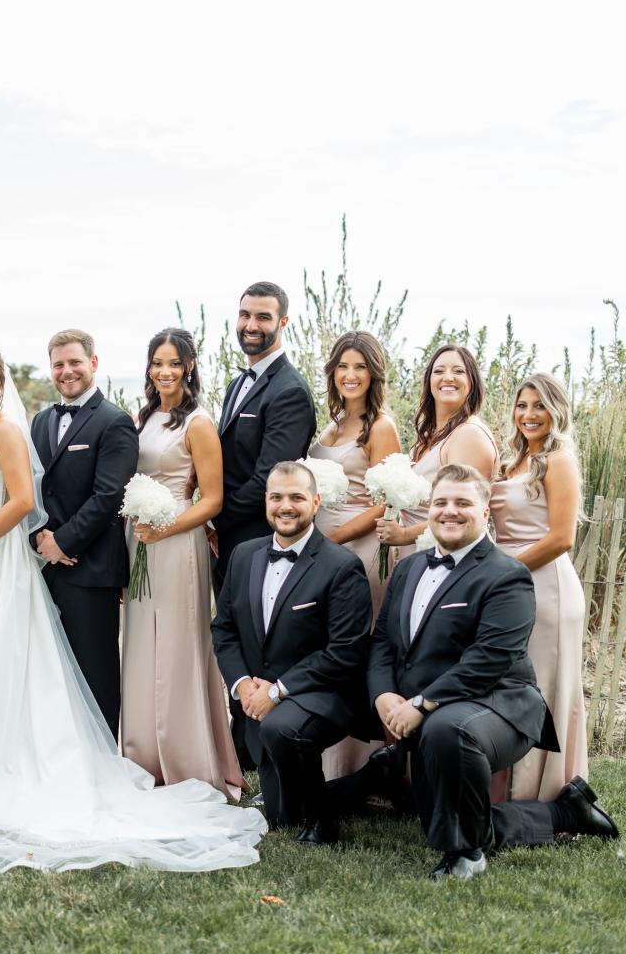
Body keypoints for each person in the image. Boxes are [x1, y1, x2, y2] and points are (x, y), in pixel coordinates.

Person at [0, 344, 267, 874]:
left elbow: (82, 495)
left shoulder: (74, 425)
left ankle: (49, 757)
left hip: (16, 556)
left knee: (37, 660)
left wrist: (5, 541)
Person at [366, 463, 616, 880]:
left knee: (448, 731)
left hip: (500, 705)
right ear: (429, 509)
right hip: (434, 711)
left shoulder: (507, 575)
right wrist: (383, 695)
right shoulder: (409, 569)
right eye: (441, 502)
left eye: (463, 503)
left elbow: (490, 659)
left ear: (485, 513)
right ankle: (563, 813)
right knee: (437, 819)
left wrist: (421, 703)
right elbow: (382, 643)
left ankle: (467, 854)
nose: (450, 511)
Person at [211, 462, 375, 843]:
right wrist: (242, 685)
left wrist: (277, 690)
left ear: (316, 502)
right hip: (261, 700)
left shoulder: (342, 566)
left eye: (297, 497)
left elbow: (344, 653)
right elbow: (224, 628)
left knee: (281, 729)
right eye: (277, 497)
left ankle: (323, 821)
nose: (286, 506)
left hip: (324, 694)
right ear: (266, 502)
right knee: (283, 814)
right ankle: (369, 779)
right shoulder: (243, 555)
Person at [120, 328, 243, 797]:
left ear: (189, 366)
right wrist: (139, 529)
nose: (164, 372)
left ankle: (188, 756)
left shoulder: (199, 424)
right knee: (138, 644)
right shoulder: (144, 416)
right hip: (140, 540)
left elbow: (212, 500)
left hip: (177, 541)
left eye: (173, 363)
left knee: (176, 647)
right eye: (157, 363)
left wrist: (165, 528)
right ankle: (141, 755)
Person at [214, 281, 316, 772]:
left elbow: (267, 481)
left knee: (262, 646)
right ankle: (241, 750)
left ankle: (256, 757)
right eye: (245, 316)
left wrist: (213, 514)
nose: (251, 326)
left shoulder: (290, 391)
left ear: (283, 323)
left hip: (255, 537)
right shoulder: (241, 382)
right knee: (237, 640)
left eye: (262, 317)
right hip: (232, 540)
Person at [29, 329, 137, 737]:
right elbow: (28, 489)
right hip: (43, 566)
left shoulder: (115, 422)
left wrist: (64, 542)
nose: (66, 371)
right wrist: (39, 537)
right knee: (51, 670)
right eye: (58, 364)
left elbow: (109, 496)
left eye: (74, 362)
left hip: (90, 567)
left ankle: (102, 757)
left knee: (96, 671)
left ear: (93, 363)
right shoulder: (39, 421)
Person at [306, 331, 400, 780]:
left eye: (359, 367)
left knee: (357, 647)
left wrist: (337, 538)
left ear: (373, 373)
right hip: (319, 547)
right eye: (343, 366)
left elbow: (385, 501)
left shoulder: (380, 427)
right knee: (325, 648)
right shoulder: (331, 422)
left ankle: (367, 766)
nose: (350, 375)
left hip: (357, 549)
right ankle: (328, 761)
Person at [490, 373, 588, 801]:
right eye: (522, 405)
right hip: (508, 581)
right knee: (509, 683)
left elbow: (561, 538)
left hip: (546, 585)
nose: (529, 415)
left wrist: (501, 570)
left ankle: (543, 794)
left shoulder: (558, 460)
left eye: (539, 406)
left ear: (556, 411)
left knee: (544, 686)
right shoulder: (512, 461)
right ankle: (504, 788)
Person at [376, 343, 497, 559]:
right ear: (429, 381)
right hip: (417, 556)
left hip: (448, 559)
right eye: (439, 371)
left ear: (472, 382)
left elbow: (461, 513)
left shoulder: (469, 435)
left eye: (458, 371)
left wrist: (404, 534)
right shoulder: (430, 435)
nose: (448, 377)